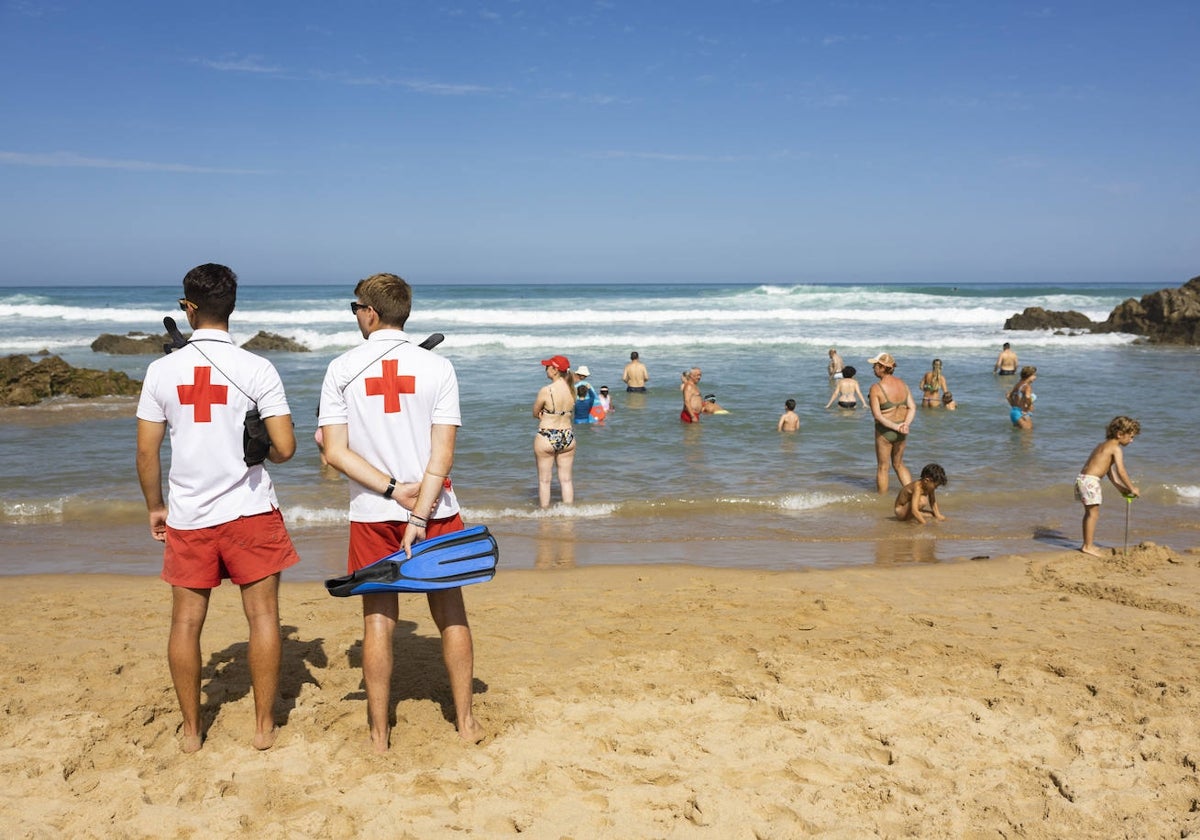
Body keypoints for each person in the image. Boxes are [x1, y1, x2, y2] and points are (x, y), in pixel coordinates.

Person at [135, 263, 300, 753]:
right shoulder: (258, 369)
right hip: (250, 509)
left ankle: (191, 731)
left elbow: (147, 453)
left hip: (188, 513)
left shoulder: (162, 370)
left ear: (188, 307)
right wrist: (257, 441)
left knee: (185, 622)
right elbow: (286, 449)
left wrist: (155, 507)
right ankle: (264, 726)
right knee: (263, 617)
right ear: (232, 307)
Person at [318, 272, 483, 750]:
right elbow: (443, 455)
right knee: (451, 612)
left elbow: (335, 453)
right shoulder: (439, 368)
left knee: (376, 621)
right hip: (437, 509)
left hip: (372, 511)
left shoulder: (341, 369)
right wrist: (418, 512)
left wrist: (393, 492)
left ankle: (378, 733)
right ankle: (467, 723)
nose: (356, 316)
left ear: (369, 312)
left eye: (355, 308)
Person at [1075, 416, 1141, 557]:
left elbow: (1109, 472)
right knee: (1093, 514)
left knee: (1090, 513)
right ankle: (1088, 546)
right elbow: (1121, 471)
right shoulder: (1116, 449)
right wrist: (1132, 487)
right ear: (1119, 434)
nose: (1132, 440)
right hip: (1091, 482)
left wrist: (1121, 488)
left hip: (1083, 480)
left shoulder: (1102, 445)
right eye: (1130, 437)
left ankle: (1087, 544)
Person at [531, 354, 577, 506]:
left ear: (555, 370)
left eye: (547, 367)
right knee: (566, 480)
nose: (546, 369)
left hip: (547, 435)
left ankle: (545, 515)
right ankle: (568, 514)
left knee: (545, 481)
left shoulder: (547, 390)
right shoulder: (572, 389)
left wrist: (542, 414)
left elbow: (535, 412)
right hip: (567, 435)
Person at [867, 352, 915, 494]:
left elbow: (877, 416)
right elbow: (912, 407)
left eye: (875, 365)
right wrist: (905, 425)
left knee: (883, 467)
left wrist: (895, 427)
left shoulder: (876, 388)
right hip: (902, 431)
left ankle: (882, 501)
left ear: (882, 367)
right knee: (898, 464)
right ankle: (914, 494)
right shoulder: (903, 384)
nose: (873, 368)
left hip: (885, 431)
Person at [1007, 365, 1037, 430]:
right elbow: (1027, 397)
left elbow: (1008, 395)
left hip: (1014, 412)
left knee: (1018, 437)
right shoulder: (1027, 386)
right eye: (1034, 375)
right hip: (1022, 414)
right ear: (1029, 375)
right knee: (1027, 436)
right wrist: (1027, 408)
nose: (1035, 377)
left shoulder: (1018, 384)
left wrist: (1013, 406)